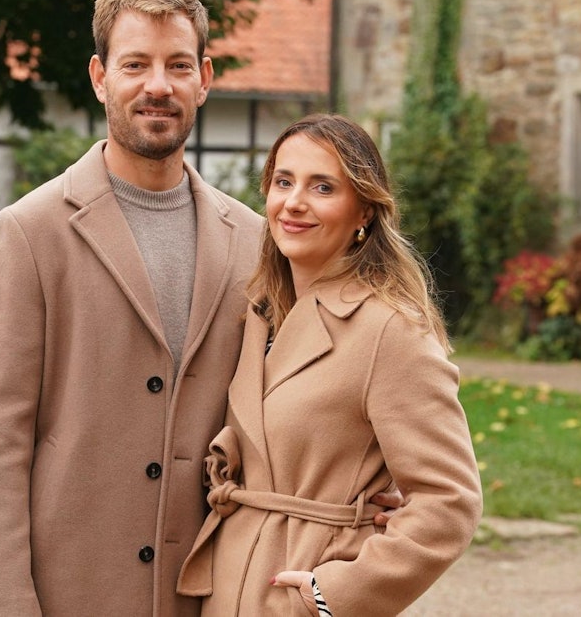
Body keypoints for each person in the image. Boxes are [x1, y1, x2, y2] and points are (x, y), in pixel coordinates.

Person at [0, 0, 402, 617]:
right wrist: (5, 606)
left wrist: (360, 486)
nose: (158, 85)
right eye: (135, 64)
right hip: (70, 593)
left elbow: (295, 395)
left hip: (214, 594)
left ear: (204, 79)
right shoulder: (29, 234)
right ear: (99, 77)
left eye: (178, 65)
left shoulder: (256, 239)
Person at [177, 114, 483, 616]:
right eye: (284, 182)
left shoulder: (390, 330)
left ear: (364, 210)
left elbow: (449, 501)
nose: (294, 202)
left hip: (299, 593)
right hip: (225, 588)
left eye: (323, 187)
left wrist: (334, 595)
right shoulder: (258, 315)